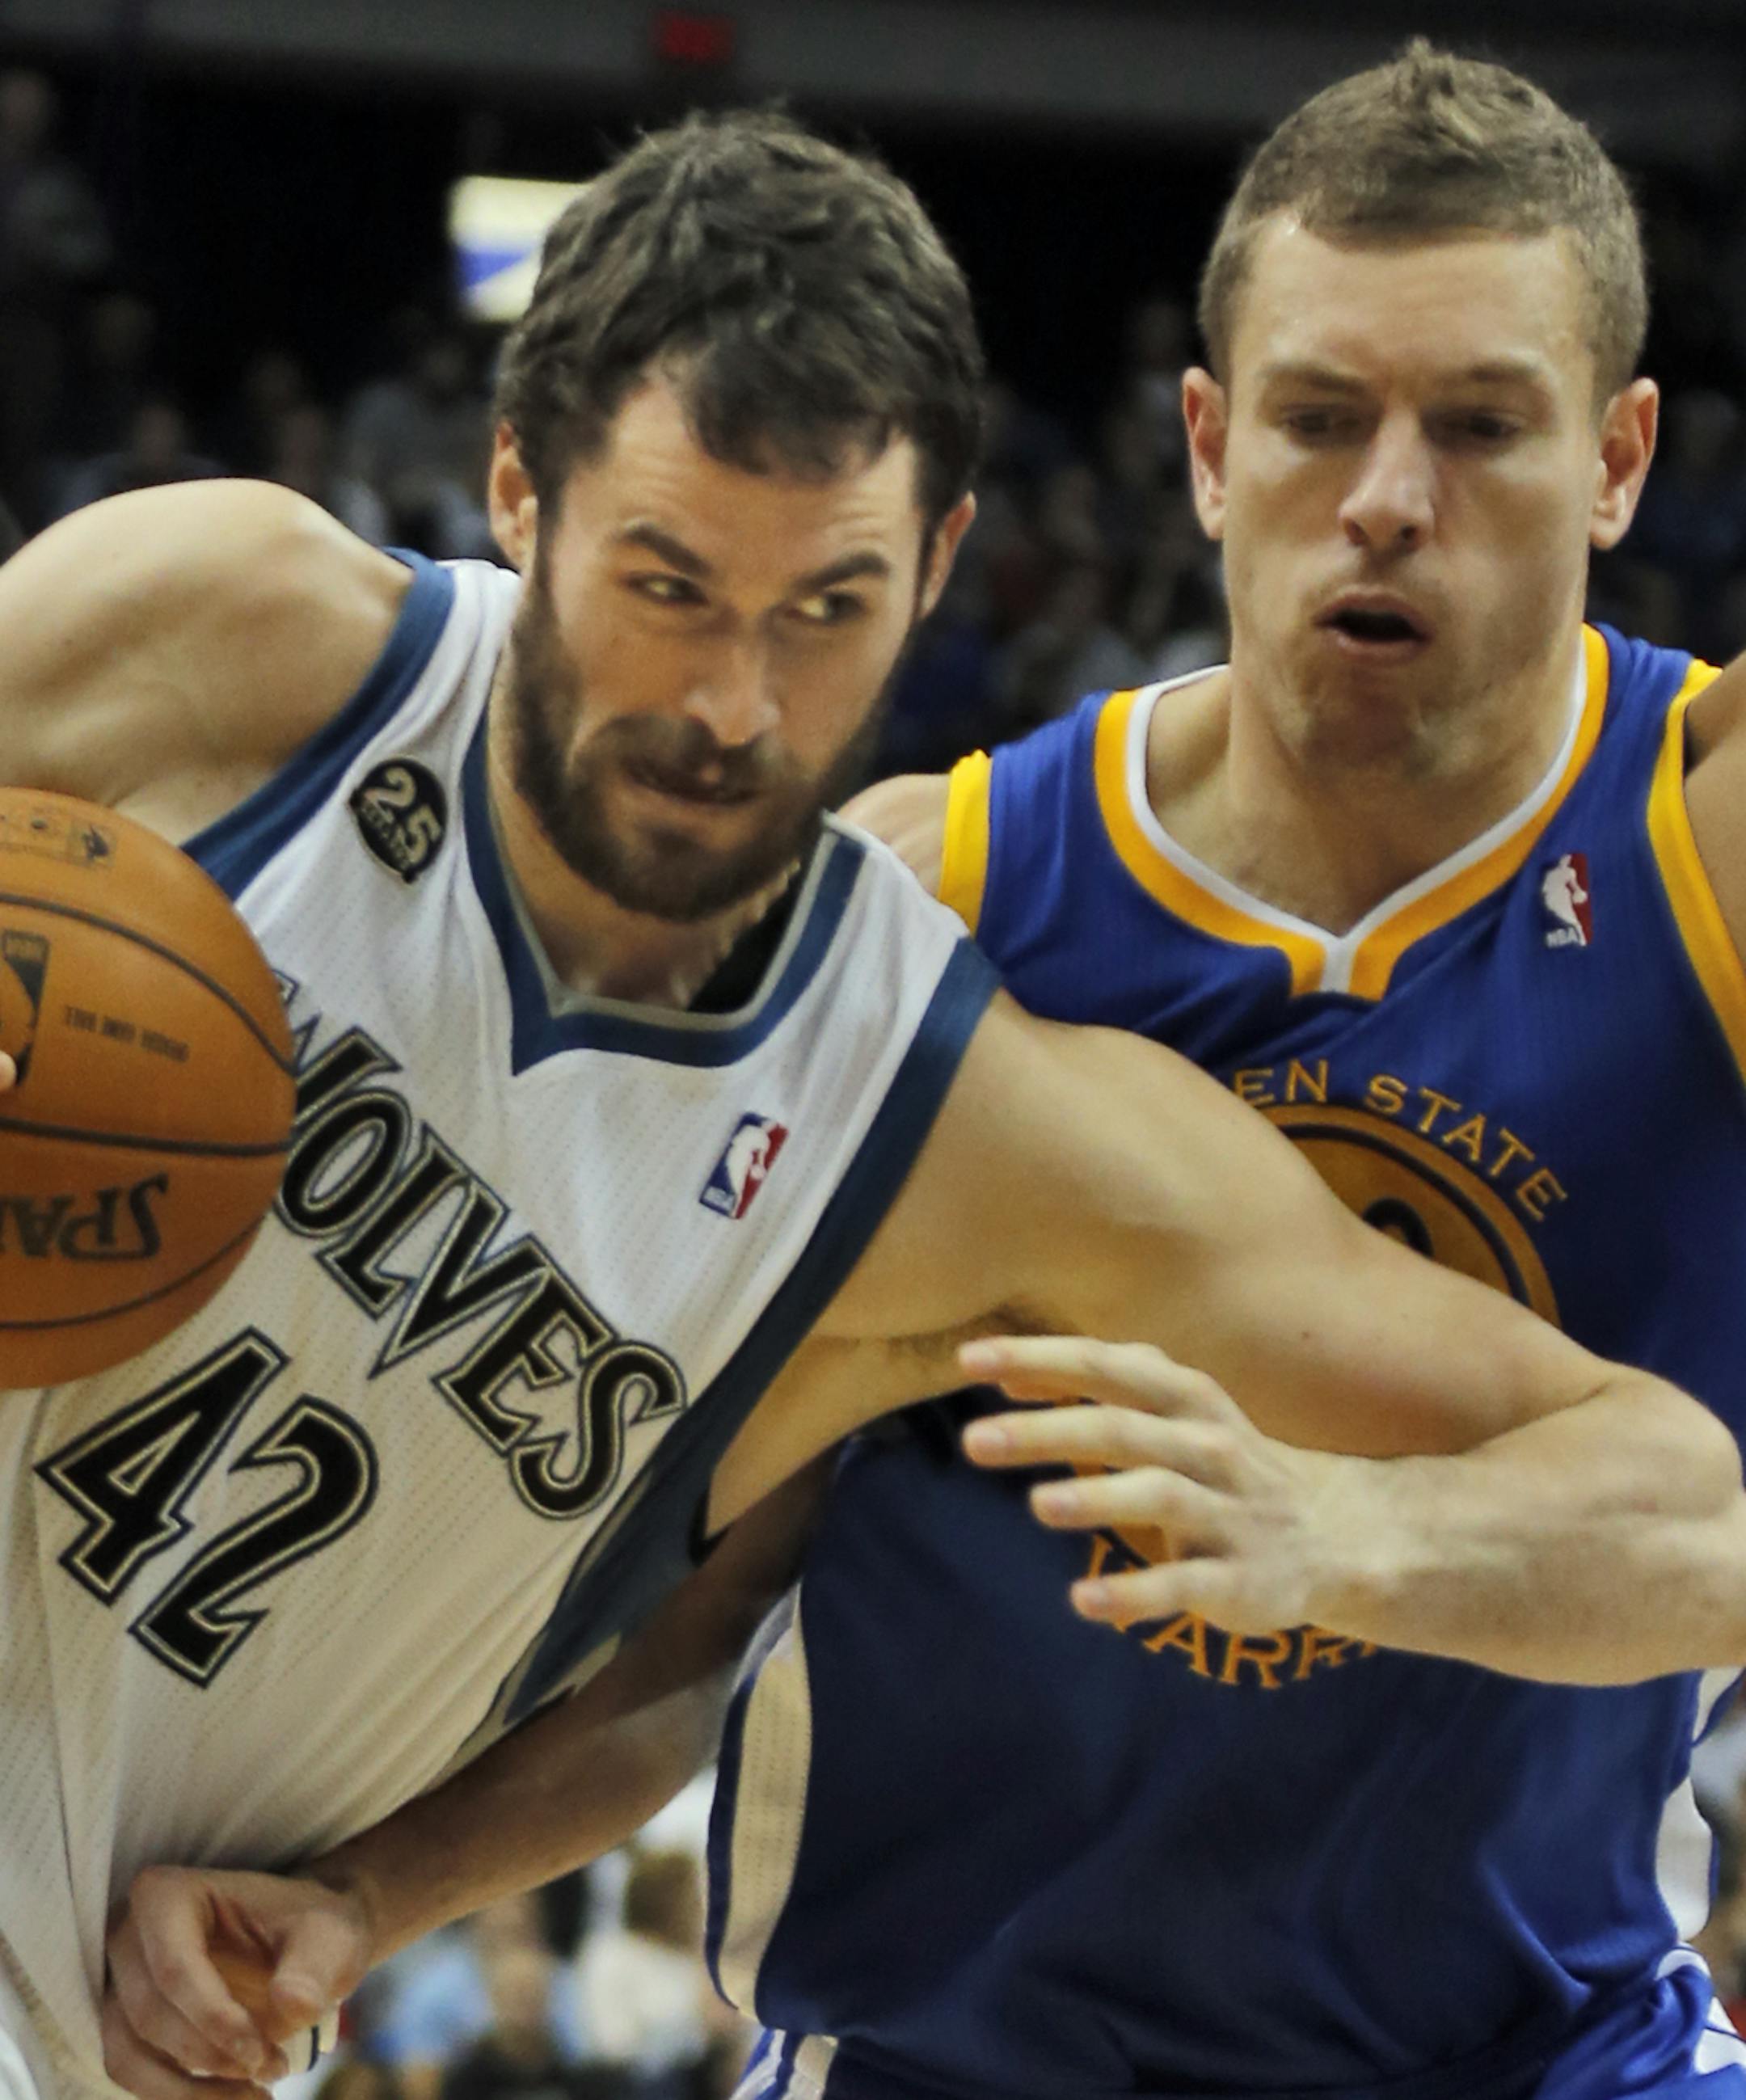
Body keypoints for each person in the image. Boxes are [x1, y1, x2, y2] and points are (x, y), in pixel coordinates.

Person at [48, 86, 1746, 2100]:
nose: (1389, 498)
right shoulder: (935, 915)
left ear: (1621, 458)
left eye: (1479, 426)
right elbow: (697, 1613)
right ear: (1206, 450)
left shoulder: (1703, 833)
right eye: (1317, 419)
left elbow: (1712, 1514)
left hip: (1540, 2042)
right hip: (962, 2042)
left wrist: (1343, 1527)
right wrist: (375, 1893)